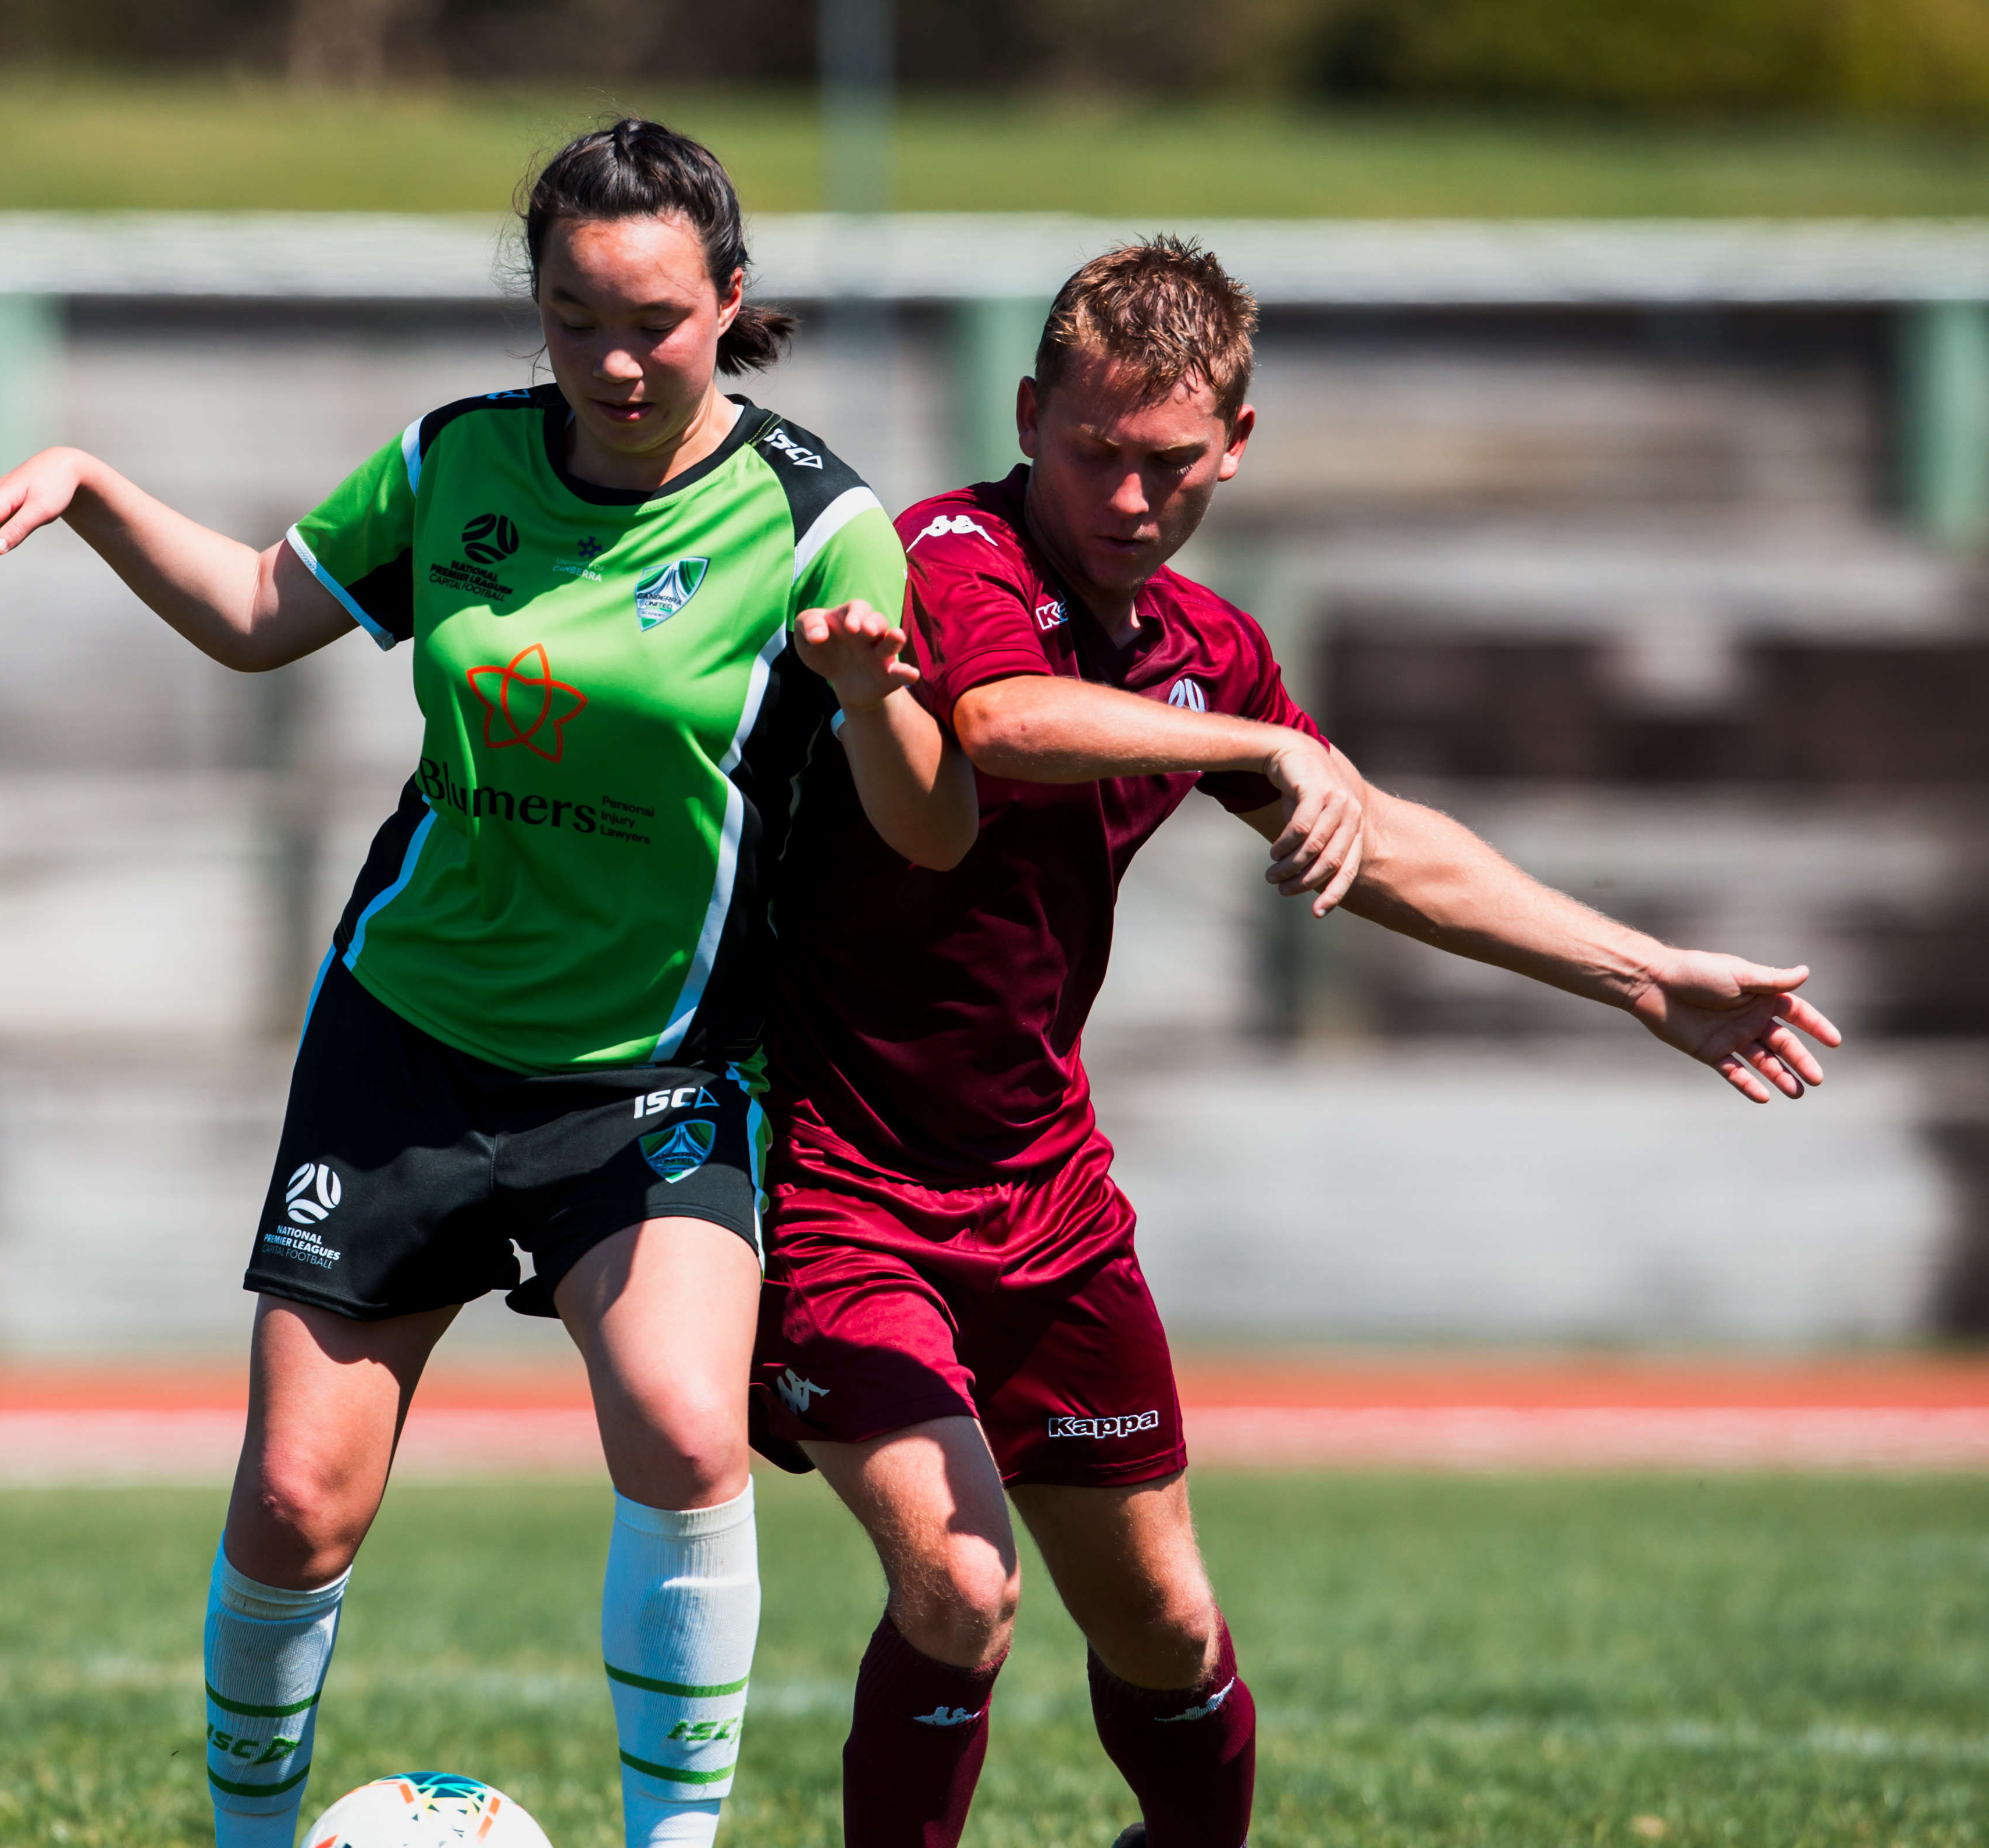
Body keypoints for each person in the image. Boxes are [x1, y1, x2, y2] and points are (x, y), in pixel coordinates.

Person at [0, 120, 974, 1848]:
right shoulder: (457, 465)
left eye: (652, 317)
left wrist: (873, 700)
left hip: (655, 1063)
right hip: (406, 1040)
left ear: (730, 299)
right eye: (571, 318)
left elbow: (933, 829)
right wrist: (91, 486)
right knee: (291, 1498)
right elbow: (265, 610)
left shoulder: (818, 521)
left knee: (694, 1433)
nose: (614, 360)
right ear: (536, 313)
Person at [752, 237, 1844, 1848]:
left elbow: (1383, 842)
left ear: (1238, 443)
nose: (1130, 497)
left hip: (1048, 1200)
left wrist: (1642, 973)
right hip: (839, 1180)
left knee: (1172, 1637)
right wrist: (1258, 741)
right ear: (1028, 410)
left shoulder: (1208, 646)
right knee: (961, 1584)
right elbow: (1003, 725)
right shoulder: (948, 556)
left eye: (1172, 464)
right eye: (1095, 453)